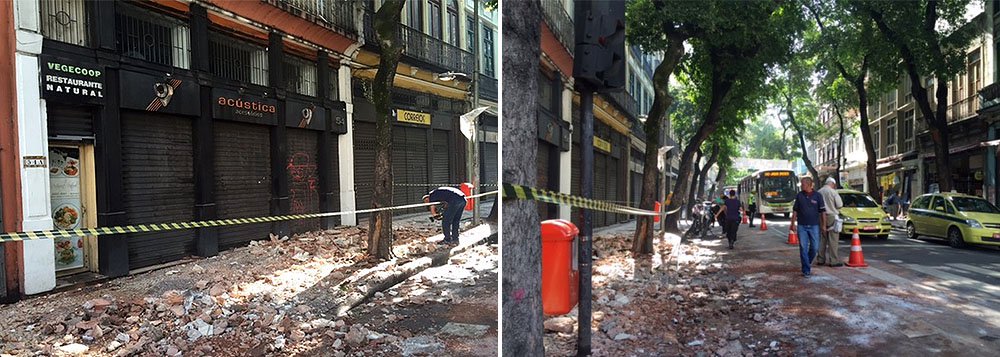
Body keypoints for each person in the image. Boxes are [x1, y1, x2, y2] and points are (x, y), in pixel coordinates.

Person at [790, 177, 827, 278]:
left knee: (815, 247)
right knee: (803, 247)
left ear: (809, 184)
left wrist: (824, 225)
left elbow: (823, 212)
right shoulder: (799, 196)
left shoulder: (818, 196)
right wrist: (792, 223)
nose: (801, 186)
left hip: (814, 226)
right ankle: (806, 270)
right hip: (802, 226)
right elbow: (795, 210)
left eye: (803, 184)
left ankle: (807, 262)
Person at [816, 177, 844, 267]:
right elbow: (839, 205)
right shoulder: (833, 192)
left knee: (822, 239)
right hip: (832, 217)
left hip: (820, 217)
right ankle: (833, 261)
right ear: (832, 184)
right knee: (833, 240)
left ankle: (820, 259)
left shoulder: (819, 192)